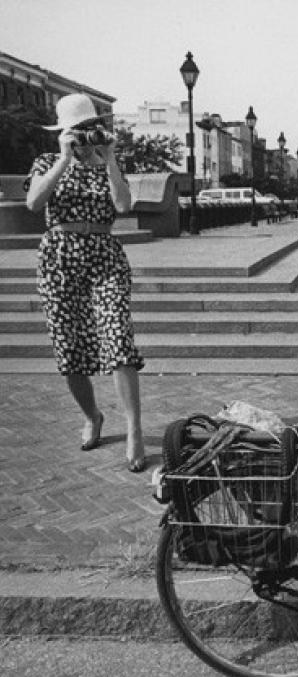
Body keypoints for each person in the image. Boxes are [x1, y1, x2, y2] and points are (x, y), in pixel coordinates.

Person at [25, 93, 146, 472]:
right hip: (59, 256)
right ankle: (92, 416)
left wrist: (109, 159)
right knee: (68, 347)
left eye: (89, 128)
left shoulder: (108, 161)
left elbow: (124, 206)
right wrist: (63, 158)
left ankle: (134, 429)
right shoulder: (47, 161)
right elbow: (33, 203)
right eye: (76, 130)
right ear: (62, 132)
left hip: (104, 255)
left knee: (118, 340)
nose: (83, 136)